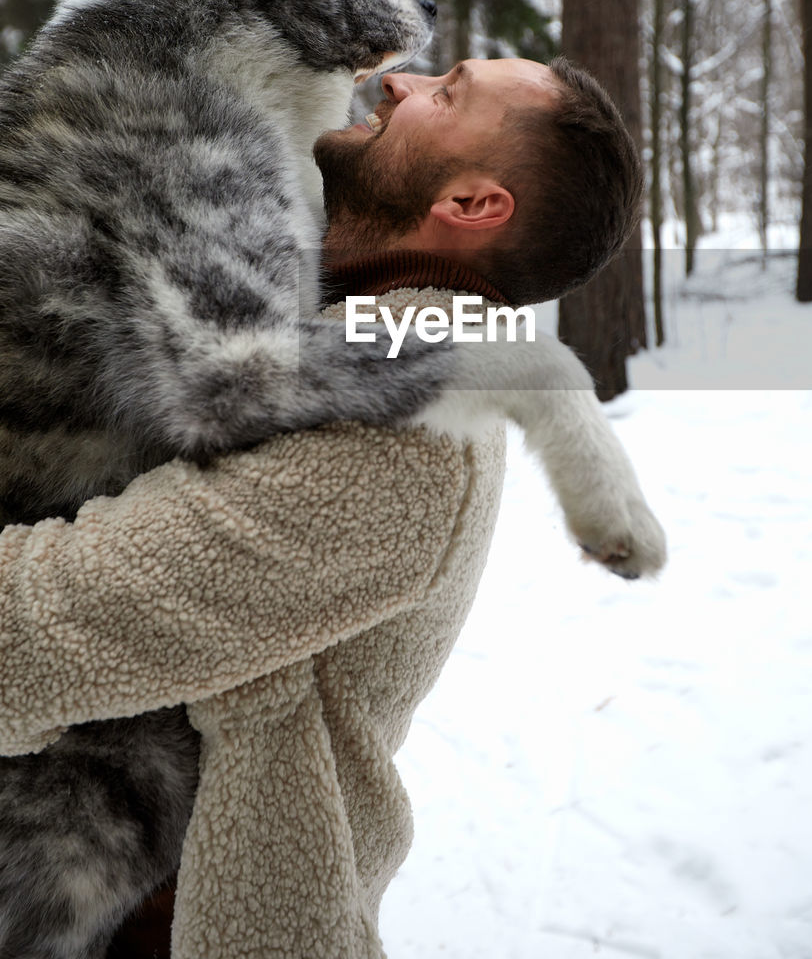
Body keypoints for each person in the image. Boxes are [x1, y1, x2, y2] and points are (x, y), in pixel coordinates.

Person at [0, 56, 644, 959]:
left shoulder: (404, 445)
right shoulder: (338, 330)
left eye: (446, 94)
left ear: (469, 205)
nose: (396, 83)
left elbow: (32, 634)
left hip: (146, 924)